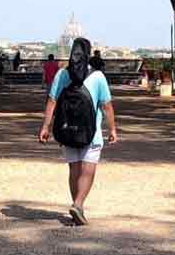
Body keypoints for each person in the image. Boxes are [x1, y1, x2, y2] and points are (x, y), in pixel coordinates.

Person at [39, 37, 117, 226]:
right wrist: (112, 128)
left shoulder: (61, 75)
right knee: (88, 170)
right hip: (91, 132)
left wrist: (45, 127)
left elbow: (52, 101)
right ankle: (78, 204)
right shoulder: (98, 77)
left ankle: (77, 206)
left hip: (66, 130)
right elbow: (107, 106)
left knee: (74, 169)